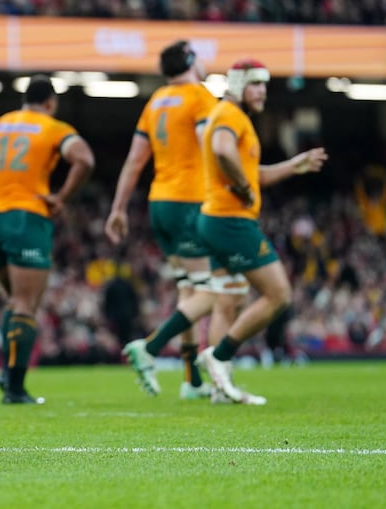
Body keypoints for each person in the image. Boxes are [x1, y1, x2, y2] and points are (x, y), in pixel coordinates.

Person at [147, 58, 327, 404]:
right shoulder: (231, 115)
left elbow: (254, 173)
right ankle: (219, 356)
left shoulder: (228, 115)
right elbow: (223, 151)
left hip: (215, 218)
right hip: (230, 220)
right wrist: (243, 187)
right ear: (239, 85)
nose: (262, 91)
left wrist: (294, 166)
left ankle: (219, 387)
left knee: (228, 300)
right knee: (279, 295)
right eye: (256, 84)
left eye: (264, 84)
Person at [0, 74, 95, 404]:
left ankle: (5, 372)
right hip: (28, 218)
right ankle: (15, 388)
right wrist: (62, 197)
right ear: (51, 103)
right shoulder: (54, 128)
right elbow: (84, 159)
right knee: (27, 305)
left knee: (15, 300)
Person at [104, 40, 220, 399]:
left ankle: (191, 380)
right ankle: (150, 348)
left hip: (160, 203)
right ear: (189, 61)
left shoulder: (155, 102)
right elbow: (212, 146)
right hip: (191, 202)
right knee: (211, 292)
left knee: (187, 289)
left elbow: (135, 161)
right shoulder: (200, 96)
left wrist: (119, 208)